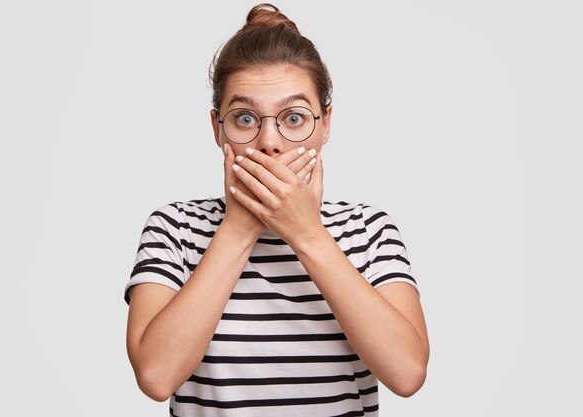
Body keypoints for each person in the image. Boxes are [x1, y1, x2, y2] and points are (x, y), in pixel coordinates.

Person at [124, 3, 429, 415]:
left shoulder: (369, 228)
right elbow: (157, 377)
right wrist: (239, 226)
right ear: (217, 129)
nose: (270, 141)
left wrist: (307, 233)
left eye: (294, 117)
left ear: (325, 125)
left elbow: (408, 374)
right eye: (245, 118)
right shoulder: (174, 227)